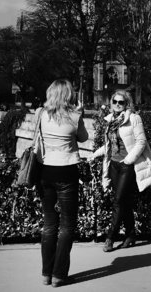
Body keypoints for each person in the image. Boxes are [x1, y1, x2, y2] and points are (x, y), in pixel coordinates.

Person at [91, 89, 151, 253]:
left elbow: (141, 142)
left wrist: (129, 160)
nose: (117, 105)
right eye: (114, 102)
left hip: (127, 166)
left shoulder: (134, 118)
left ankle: (110, 237)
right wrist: (95, 154)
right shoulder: (111, 120)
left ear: (127, 104)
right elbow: (109, 144)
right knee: (124, 202)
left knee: (117, 201)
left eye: (121, 102)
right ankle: (130, 235)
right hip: (114, 165)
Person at [36, 79, 89, 288]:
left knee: (49, 224)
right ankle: (59, 274)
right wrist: (80, 115)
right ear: (69, 94)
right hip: (67, 171)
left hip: (45, 171)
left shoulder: (40, 113)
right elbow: (83, 138)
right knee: (67, 225)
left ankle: (46, 274)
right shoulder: (75, 116)